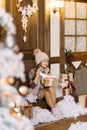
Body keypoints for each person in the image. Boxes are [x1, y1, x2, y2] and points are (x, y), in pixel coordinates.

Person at [28, 48, 63, 119]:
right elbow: (32, 85)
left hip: (45, 89)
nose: (46, 63)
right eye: (44, 61)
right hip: (36, 93)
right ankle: (54, 109)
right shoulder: (33, 72)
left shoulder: (47, 70)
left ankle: (54, 109)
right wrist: (37, 77)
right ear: (39, 62)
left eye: (47, 61)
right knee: (47, 93)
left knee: (51, 88)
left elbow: (49, 82)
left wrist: (51, 78)